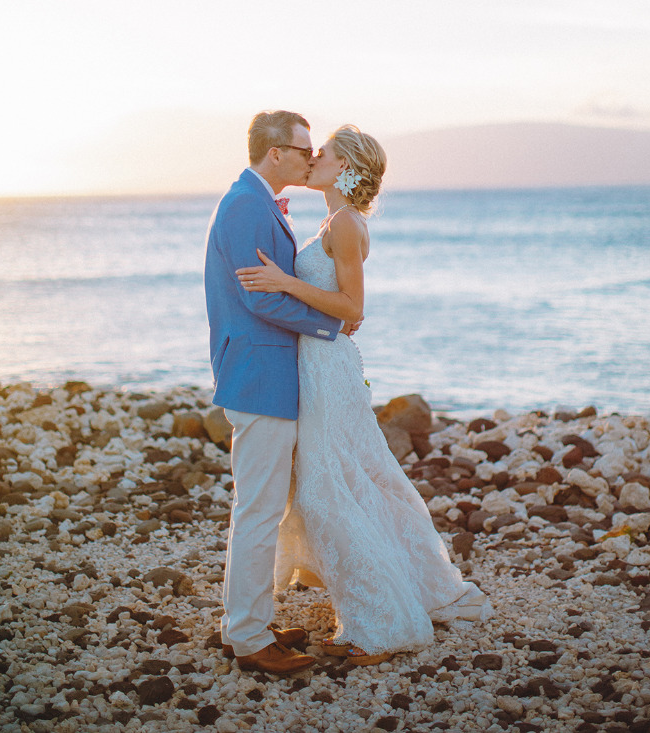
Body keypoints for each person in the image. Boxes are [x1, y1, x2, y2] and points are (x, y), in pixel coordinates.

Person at [236, 125, 491, 664]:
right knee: (344, 483)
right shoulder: (332, 220)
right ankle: (389, 593)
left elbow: (352, 308)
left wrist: (283, 283)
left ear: (346, 166)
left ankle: (381, 623)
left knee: (328, 489)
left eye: (321, 153)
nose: (312, 158)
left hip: (328, 368)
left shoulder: (347, 223)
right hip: (316, 366)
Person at [204, 110, 346, 676]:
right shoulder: (244, 204)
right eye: (303, 148)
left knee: (259, 510)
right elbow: (260, 298)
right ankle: (248, 639)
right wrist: (331, 325)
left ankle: (247, 623)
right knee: (258, 513)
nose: (312, 158)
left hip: (266, 373)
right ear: (275, 153)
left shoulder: (256, 200)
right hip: (258, 375)